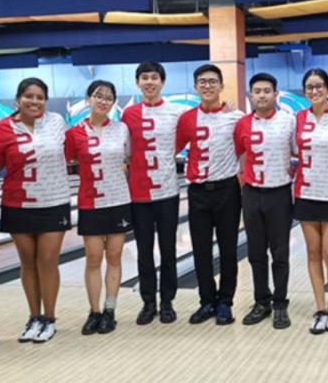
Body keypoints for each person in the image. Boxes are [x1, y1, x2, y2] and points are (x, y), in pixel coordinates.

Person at [0, 77, 70, 343]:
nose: (34, 101)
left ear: (45, 101)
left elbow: (70, 151)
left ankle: (49, 318)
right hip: (18, 202)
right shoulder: (2, 129)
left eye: (39, 97)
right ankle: (34, 317)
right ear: (18, 99)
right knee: (27, 262)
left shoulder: (57, 122)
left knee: (47, 260)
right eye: (29, 96)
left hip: (53, 200)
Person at [121, 61, 188, 325]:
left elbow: (183, 142)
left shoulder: (175, 113)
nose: (149, 82)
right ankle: (148, 302)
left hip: (168, 192)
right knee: (144, 250)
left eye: (154, 77)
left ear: (162, 82)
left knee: (169, 249)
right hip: (139, 195)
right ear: (137, 82)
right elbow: (124, 151)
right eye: (144, 77)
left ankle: (168, 301)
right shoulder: (128, 114)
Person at [176, 64, 243, 326]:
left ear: (221, 85)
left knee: (228, 250)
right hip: (198, 192)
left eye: (212, 81)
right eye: (202, 82)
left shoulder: (235, 117)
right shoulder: (186, 119)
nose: (207, 86)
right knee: (201, 251)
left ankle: (225, 302)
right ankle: (207, 301)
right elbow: (171, 148)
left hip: (227, 190)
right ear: (195, 87)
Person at [65, 80, 132, 335]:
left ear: (113, 102)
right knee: (93, 258)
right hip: (90, 202)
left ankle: (110, 309)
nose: (103, 101)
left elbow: (129, 158)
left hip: (118, 201)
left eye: (108, 97)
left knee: (114, 256)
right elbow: (65, 161)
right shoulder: (74, 133)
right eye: (98, 96)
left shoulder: (122, 129)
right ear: (89, 99)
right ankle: (94, 311)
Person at [234, 72, 297, 329]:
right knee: (255, 253)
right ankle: (262, 302)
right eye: (257, 91)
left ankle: (280, 304)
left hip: (279, 194)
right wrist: (246, 184)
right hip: (252, 194)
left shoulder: (288, 121)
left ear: (275, 94)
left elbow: (297, 151)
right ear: (250, 95)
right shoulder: (242, 124)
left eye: (266, 90)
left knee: (280, 253)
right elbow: (238, 157)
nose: (262, 95)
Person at [293, 68, 328, 334]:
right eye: (309, 87)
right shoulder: (297, 118)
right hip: (306, 193)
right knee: (313, 253)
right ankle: (320, 309)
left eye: (319, 87)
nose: (314, 91)